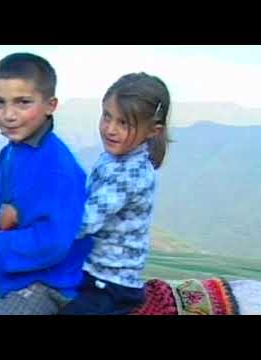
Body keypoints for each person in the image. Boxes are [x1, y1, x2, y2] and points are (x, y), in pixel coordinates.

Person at [0, 52, 92, 315]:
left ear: (50, 105)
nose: (8, 115)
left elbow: (54, 240)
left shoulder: (58, 167)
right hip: (15, 275)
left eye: (23, 102)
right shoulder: (10, 154)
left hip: (50, 283)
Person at [59, 72, 171, 315]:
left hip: (111, 282)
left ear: (153, 130)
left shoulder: (130, 173)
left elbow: (84, 222)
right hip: (91, 266)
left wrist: (37, 222)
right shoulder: (113, 158)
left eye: (124, 123)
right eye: (107, 116)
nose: (110, 129)